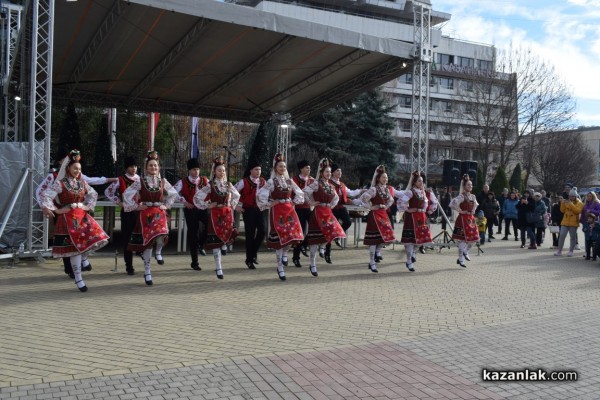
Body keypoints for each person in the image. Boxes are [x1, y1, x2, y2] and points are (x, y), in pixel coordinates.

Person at [37, 148, 116, 278]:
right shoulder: (56, 179)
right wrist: (52, 209)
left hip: (80, 215)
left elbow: (92, 191)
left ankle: (82, 262)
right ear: (65, 166)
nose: (78, 171)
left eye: (79, 168)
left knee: (90, 238)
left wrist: (86, 206)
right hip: (65, 215)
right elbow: (43, 193)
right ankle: (72, 271)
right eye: (74, 168)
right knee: (68, 243)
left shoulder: (81, 181)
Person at [123, 151, 177, 285]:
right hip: (146, 213)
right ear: (146, 168)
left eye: (155, 166)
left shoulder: (163, 181)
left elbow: (173, 194)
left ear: (159, 168)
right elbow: (126, 194)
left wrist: (166, 205)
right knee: (147, 242)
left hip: (159, 212)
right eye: (151, 166)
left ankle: (158, 252)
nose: (153, 168)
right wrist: (136, 206)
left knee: (163, 234)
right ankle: (147, 271)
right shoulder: (140, 182)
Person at [257, 154, 305, 281]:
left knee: (293, 234)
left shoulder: (289, 181)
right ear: (275, 168)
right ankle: (280, 267)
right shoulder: (271, 181)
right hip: (277, 210)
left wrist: (295, 201)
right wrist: (270, 203)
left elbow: (300, 192)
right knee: (280, 238)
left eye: (284, 166)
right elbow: (261, 195)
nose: (282, 168)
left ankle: (285, 254)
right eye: (280, 166)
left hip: (289, 209)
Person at [193, 156, 240, 279]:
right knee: (215, 242)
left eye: (223, 170)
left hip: (227, 213)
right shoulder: (210, 185)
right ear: (214, 171)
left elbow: (237, 195)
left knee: (231, 233)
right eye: (219, 170)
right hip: (215, 214)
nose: (222, 173)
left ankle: (224, 245)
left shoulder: (228, 184)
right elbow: (197, 198)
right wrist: (208, 205)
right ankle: (218, 267)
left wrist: (231, 205)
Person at [303, 158, 346, 277]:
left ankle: (323, 248)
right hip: (318, 213)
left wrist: (330, 206)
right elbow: (304, 192)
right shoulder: (316, 183)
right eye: (326, 172)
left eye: (329, 172)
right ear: (321, 173)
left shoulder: (330, 186)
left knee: (334, 231)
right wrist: (311, 203)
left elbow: (336, 198)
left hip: (327, 212)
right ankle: (312, 264)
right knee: (315, 240)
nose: (328, 174)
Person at [104, 156, 140, 275]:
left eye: (135, 166)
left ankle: (142, 256)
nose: (133, 169)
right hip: (127, 212)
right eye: (131, 167)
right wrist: (118, 202)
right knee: (127, 238)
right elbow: (108, 192)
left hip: (138, 211)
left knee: (140, 235)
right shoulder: (120, 179)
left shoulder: (139, 179)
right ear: (126, 168)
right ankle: (129, 265)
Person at [174, 158, 210, 271]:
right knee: (193, 234)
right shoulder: (182, 182)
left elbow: (212, 191)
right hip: (191, 209)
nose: (196, 172)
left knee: (209, 225)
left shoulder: (205, 180)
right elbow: (172, 192)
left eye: (198, 169)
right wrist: (184, 201)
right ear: (189, 170)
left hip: (203, 208)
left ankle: (201, 244)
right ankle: (195, 262)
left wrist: (209, 201)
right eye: (194, 169)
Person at [360, 165, 396, 273]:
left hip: (383, 214)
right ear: (378, 179)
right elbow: (363, 198)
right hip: (375, 215)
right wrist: (370, 207)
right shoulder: (373, 189)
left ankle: (378, 253)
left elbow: (391, 200)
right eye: (383, 177)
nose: (385, 179)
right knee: (373, 240)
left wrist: (386, 206)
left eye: (386, 177)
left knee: (386, 237)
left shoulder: (386, 190)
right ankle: (372, 262)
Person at [326, 163, 364, 263]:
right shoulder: (328, 183)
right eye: (337, 171)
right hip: (331, 208)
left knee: (348, 222)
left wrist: (361, 190)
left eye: (340, 171)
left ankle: (337, 236)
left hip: (340, 207)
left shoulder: (342, 184)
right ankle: (327, 252)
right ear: (333, 173)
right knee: (331, 228)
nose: (340, 172)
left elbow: (350, 193)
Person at [397, 171, 433, 272]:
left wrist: (427, 211)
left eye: (422, 181)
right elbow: (400, 201)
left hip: (421, 217)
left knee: (421, 239)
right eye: (419, 181)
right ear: (414, 182)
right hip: (412, 218)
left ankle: (413, 254)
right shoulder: (411, 192)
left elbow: (426, 204)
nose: (421, 183)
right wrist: (408, 209)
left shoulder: (422, 193)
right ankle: (409, 261)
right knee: (410, 241)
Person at [235, 158, 267, 270]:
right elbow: (232, 192)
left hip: (260, 209)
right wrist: (237, 205)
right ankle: (249, 259)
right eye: (256, 169)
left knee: (263, 231)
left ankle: (253, 252)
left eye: (259, 169)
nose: (258, 171)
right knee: (250, 234)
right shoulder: (244, 182)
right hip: (248, 210)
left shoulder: (263, 181)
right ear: (250, 171)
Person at [449, 174, 479, 268]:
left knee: (474, 238)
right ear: (464, 186)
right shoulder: (462, 196)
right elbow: (452, 204)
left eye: (471, 185)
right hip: (462, 219)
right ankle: (461, 258)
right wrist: (460, 210)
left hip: (471, 219)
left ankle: (466, 251)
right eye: (468, 185)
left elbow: (475, 205)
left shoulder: (473, 196)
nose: (470, 186)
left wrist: (473, 210)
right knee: (462, 240)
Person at [291, 160, 314, 268]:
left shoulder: (312, 180)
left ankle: (304, 245)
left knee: (315, 227)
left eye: (309, 168)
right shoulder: (294, 180)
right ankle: (296, 257)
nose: (308, 170)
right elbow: (291, 193)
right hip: (298, 209)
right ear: (301, 169)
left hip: (308, 208)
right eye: (306, 168)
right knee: (300, 232)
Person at [554, 187, 584, 257]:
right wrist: (562, 203)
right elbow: (562, 210)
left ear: (576, 196)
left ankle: (571, 251)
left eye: (573, 196)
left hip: (573, 222)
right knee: (561, 236)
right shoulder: (567, 200)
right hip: (565, 221)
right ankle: (559, 250)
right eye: (570, 196)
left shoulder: (580, 203)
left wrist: (570, 204)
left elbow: (577, 211)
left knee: (572, 237)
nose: (571, 197)